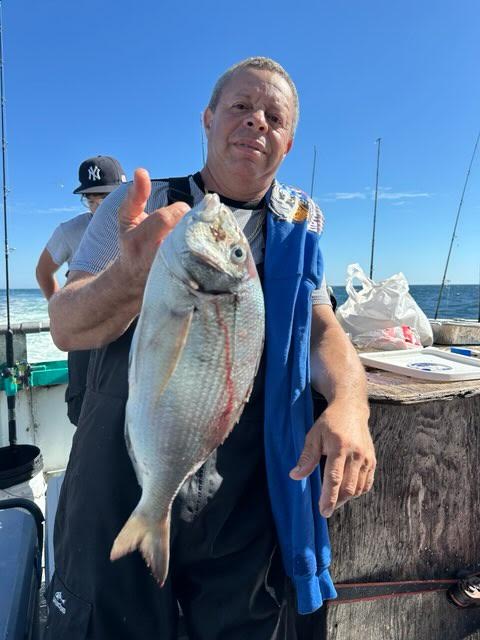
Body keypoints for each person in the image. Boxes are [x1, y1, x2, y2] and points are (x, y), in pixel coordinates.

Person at [44, 57, 376, 640]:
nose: (256, 123)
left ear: (288, 143)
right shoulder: (136, 208)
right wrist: (126, 277)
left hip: (248, 493)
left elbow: (322, 330)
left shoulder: (299, 226)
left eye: (273, 117)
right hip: (120, 474)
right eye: (241, 108)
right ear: (208, 118)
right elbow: (67, 325)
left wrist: (351, 403)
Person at [36, 155, 127, 425]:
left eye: (107, 198)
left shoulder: (142, 227)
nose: (100, 208)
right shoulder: (69, 231)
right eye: (91, 200)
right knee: (84, 413)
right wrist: (64, 313)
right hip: (85, 340)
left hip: (127, 335)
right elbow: (43, 272)